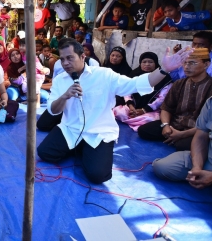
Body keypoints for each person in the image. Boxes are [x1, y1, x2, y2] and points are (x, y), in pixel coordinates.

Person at [36, 38, 191, 184]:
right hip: (70, 129)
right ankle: (80, 147)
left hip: (98, 132)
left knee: (98, 175)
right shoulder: (59, 80)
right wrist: (65, 96)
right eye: (62, 59)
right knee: (45, 153)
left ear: (82, 56)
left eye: (70, 58)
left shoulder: (104, 75)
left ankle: (87, 149)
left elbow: (136, 84)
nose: (65, 63)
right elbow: (53, 110)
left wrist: (164, 69)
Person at [137, 48, 212, 151]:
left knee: (184, 144)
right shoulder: (179, 84)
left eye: (192, 63)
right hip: (175, 124)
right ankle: (173, 137)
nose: (186, 67)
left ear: (206, 64)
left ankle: (176, 139)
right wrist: (166, 125)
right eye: (184, 63)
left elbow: (208, 123)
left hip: (199, 129)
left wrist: (182, 134)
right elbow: (166, 108)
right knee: (144, 131)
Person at [152, 96, 212, 186]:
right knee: (162, 167)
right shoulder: (210, 102)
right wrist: (196, 167)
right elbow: (201, 136)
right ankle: (201, 174)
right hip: (208, 160)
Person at [113, 52, 172, 131]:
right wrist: (131, 106)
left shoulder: (164, 78)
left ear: (156, 63)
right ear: (140, 63)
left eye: (150, 62)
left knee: (151, 119)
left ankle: (135, 120)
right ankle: (135, 118)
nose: (147, 64)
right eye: (144, 62)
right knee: (119, 112)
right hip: (134, 107)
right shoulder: (134, 74)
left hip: (151, 110)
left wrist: (144, 110)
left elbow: (162, 98)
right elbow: (127, 91)